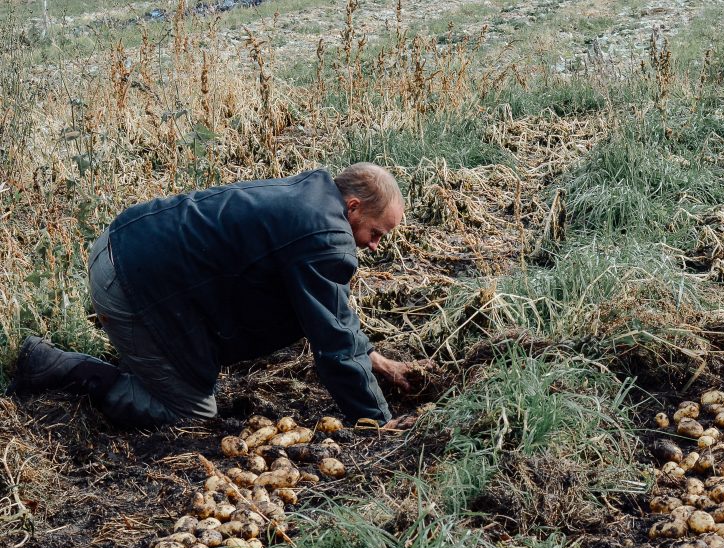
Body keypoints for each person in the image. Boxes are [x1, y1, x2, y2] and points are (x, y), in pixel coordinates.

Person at [9, 163, 430, 427]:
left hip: (125, 240)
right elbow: (334, 343)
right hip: (131, 280)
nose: (375, 245)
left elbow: (331, 316)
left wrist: (376, 361)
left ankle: (153, 359)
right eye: (376, 233)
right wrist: (376, 422)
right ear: (354, 206)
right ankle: (56, 366)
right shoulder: (326, 239)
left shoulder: (312, 200)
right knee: (190, 413)